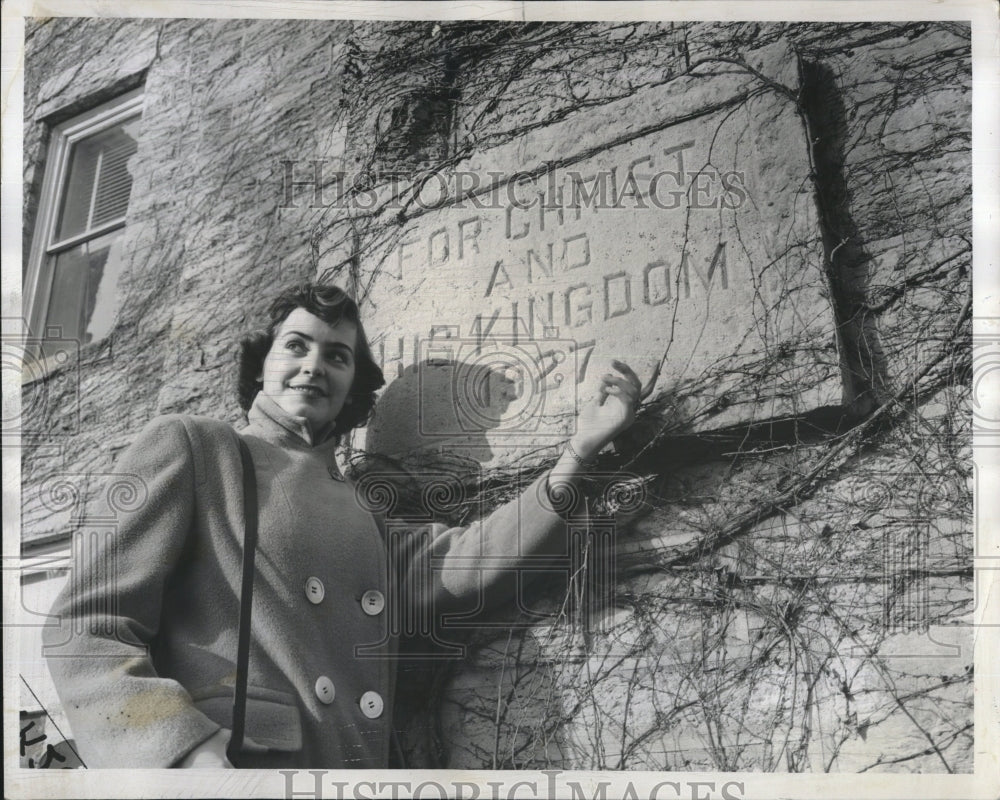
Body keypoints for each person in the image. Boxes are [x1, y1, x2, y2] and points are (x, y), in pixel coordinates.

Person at [43, 282, 644, 769]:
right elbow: (87, 625)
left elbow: (467, 560)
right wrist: (181, 752)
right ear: (261, 365)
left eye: (337, 356)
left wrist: (577, 455)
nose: (314, 366)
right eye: (296, 347)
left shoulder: (364, 512)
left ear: (353, 385)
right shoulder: (198, 449)